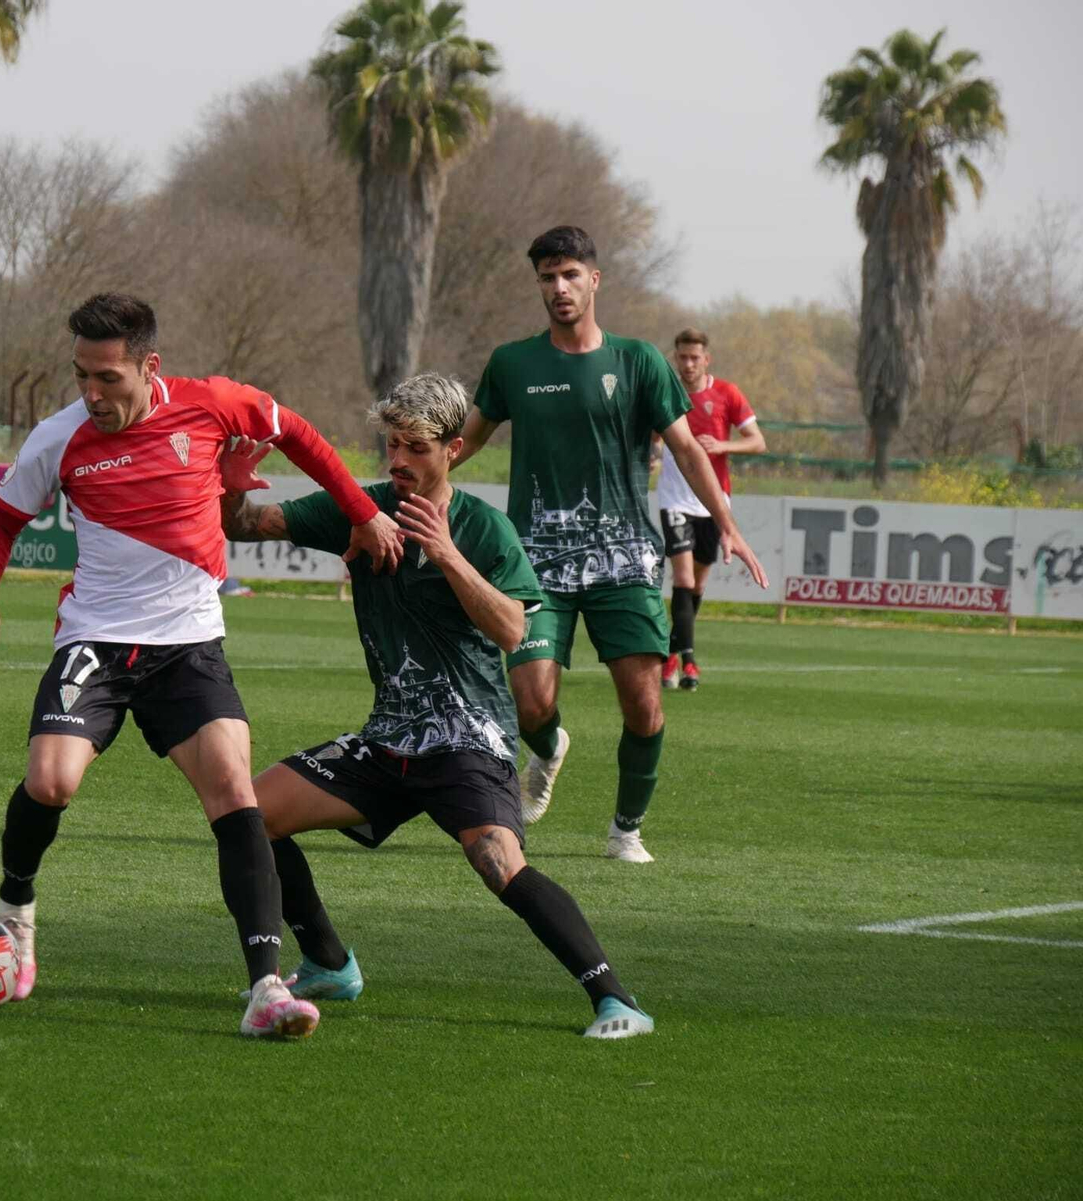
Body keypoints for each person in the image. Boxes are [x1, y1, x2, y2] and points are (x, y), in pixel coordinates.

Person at [0, 292, 403, 1040]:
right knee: (50, 781)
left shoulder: (212, 404)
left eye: (109, 378)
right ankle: (15, 914)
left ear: (149, 366)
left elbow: (299, 435)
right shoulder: (57, 438)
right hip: (96, 641)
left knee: (235, 790)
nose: (93, 394)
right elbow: (1, 524)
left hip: (188, 644)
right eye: (81, 377)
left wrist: (362, 510)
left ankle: (265, 986)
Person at [220, 373, 653, 1039]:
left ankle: (615, 999)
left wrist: (446, 551)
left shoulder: (484, 528)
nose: (397, 461)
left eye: (415, 447)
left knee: (499, 863)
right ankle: (329, 962)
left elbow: (512, 628)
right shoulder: (356, 508)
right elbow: (244, 525)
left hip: (468, 741)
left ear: (453, 449)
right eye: (391, 445)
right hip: (387, 740)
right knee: (251, 814)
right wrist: (229, 478)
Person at [455, 226, 767, 863]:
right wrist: (401, 486)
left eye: (570, 274)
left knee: (645, 705)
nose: (559, 288)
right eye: (547, 277)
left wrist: (726, 523)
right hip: (535, 561)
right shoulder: (513, 363)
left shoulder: (639, 361)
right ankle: (547, 749)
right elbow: (467, 441)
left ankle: (626, 829)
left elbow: (684, 446)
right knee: (532, 700)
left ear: (594, 280)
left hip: (623, 559)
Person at [656, 328, 765, 691]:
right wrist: (652, 456)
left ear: (706, 359)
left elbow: (758, 442)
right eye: (682, 357)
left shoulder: (726, 394)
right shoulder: (665, 391)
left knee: (697, 585)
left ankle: (671, 653)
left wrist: (720, 445)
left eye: (694, 357)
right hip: (674, 499)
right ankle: (688, 663)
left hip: (714, 502)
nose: (687, 364)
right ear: (676, 358)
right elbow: (653, 439)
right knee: (683, 579)